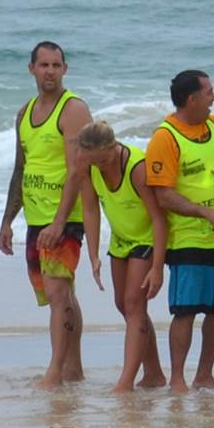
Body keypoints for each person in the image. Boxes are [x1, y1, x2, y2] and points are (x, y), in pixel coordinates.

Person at [144, 70, 214, 393]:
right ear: (192, 99)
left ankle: (205, 374)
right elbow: (164, 196)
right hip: (187, 239)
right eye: (209, 92)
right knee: (186, 310)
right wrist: (206, 212)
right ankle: (177, 378)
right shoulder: (165, 137)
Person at [0, 41, 93, 387]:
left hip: (65, 218)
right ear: (32, 69)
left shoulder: (73, 109)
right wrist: (7, 221)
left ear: (65, 69)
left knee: (56, 293)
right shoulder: (24, 113)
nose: (50, 71)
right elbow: (20, 167)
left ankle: (55, 370)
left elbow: (77, 171)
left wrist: (59, 222)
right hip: (36, 218)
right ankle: (73, 368)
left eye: (56, 65)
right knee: (62, 293)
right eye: (44, 65)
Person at [55, 122, 168, 393]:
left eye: (105, 160)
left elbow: (159, 218)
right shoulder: (87, 164)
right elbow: (90, 208)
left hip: (146, 239)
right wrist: (93, 255)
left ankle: (125, 382)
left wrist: (157, 267)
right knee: (123, 305)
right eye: (95, 162)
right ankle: (153, 373)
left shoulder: (137, 167)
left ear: (114, 147)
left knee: (133, 304)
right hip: (120, 240)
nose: (101, 166)